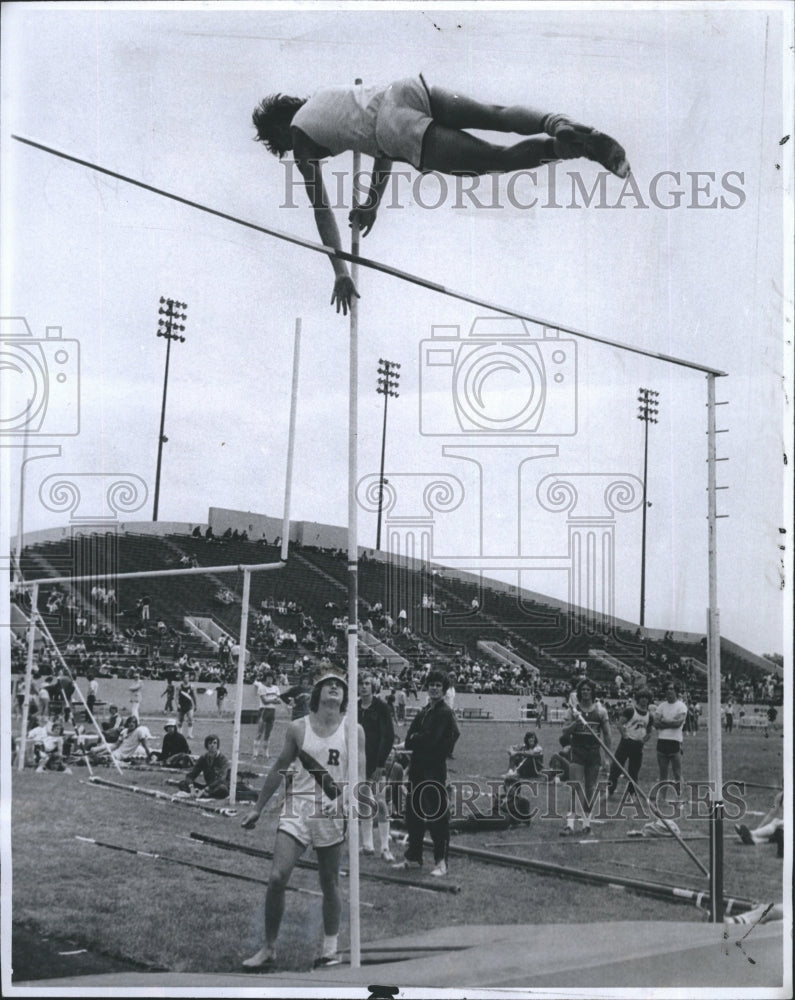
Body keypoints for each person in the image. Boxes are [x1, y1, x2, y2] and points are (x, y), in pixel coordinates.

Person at [252, 78, 630, 313]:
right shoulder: (324, 98)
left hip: (392, 130)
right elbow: (380, 147)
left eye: (281, 146)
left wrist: (340, 272)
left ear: (283, 130)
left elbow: (323, 210)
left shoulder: (301, 138)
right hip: (404, 91)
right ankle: (558, 123)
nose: (293, 153)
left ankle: (572, 149)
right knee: (495, 114)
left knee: (492, 159)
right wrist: (371, 203)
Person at [240, 665, 365, 972]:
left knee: (329, 882)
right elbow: (279, 767)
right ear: (317, 693)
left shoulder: (353, 729)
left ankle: (329, 949)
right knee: (276, 877)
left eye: (340, 684)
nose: (335, 687)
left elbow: (359, 776)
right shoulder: (298, 728)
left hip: (331, 812)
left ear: (345, 695)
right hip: (297, 808)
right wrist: (258, 806)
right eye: (328, 683)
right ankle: (268, 947)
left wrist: (347, 803)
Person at [393, 669, 459, 877]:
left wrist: (422, 741)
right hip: (418, 769)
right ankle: (414, 858)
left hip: (434, 771)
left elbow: (433, 739)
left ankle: (441, 862)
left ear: (444, 689)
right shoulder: (424, 712)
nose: (434, 688)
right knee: (413, 816)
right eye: (431, 684)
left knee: (437, 818)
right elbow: (411, 737)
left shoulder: (445, 713)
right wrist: (419, 739)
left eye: (438, 685)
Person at [560, 679, 611, 836]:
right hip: (578, 752)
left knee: (590, 788)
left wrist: (608, 756)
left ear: (592, 692)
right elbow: (565, 732)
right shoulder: (573, 711)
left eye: (588, 689)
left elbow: (607, 734)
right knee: (575, 787)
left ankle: (586, 824)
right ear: (579, 692)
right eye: (583, 690)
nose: (585, 692)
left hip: (594, 753)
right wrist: (576, 722)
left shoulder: (601, 711)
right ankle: (569, 825)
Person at [357, 673, 395, 861]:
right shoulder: (355, 708)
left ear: (373, 687)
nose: (363, 687)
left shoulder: (381, 707)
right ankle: (367, 845)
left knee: (380, 803)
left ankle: (385, 847)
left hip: (377, 761)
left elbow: (387, 736)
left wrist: (380, 764)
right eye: (360, 684)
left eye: (366, 684)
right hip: (359, 763)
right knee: (364, 802)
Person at [607, 689, 654, 799]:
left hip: (638, 745)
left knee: (634, 771)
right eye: (642, 697)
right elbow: (619, 723)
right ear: (638, 699)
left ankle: (631, 794)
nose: (644, 700)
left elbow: (650, 731)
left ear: (649, 700)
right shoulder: (630, 711)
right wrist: (624, 735)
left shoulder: (649, 716)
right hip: (626, 743)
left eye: (646, 698)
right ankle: (610, 790)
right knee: (616, 768)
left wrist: (643, 740)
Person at [652, 680, 688, 807]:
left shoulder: (681, 706)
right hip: (662, 741)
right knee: (663, 773)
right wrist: (669, 722)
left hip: (675, 742)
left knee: (677, 772)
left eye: (672, 688)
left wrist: (664, 721)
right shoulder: (661, 706)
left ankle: (679, 798)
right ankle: (662, 798)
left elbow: (678, 723)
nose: (669, 691)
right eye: (667, 689)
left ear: (676, 691)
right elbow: (655, 723)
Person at [735, 791, 784, 856]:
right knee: (777, 830)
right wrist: (760, 828)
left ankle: (751, 834)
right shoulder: (780, 796)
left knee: (776, 822)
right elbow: (771, 813)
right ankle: (753, 839)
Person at [253, 668, 281, 758]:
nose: (270, 680)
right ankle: (255, 752)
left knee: (268, 734)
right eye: (268, 678)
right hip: (263, 711)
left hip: (272, 711)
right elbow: (264, 701)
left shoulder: (276, 688)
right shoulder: (262, 687)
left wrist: (271, 700)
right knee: (259, 733)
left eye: (271, 678)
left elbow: (279, 701)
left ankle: (266, 752)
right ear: (265, 678)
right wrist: (273, 700)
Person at [177, 674, 196, 739]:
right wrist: (177, 704)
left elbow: (193, 696)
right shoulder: (179, 686)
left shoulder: (191, 686)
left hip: (189, 705)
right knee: (180, 721)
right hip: (181, 705)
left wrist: (195, 705)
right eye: (185, 677)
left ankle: (189, 734)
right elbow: (176, 696)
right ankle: (180, 734)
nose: (187, 679)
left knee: (190, 719)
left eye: (188, 677)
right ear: (183, 679)